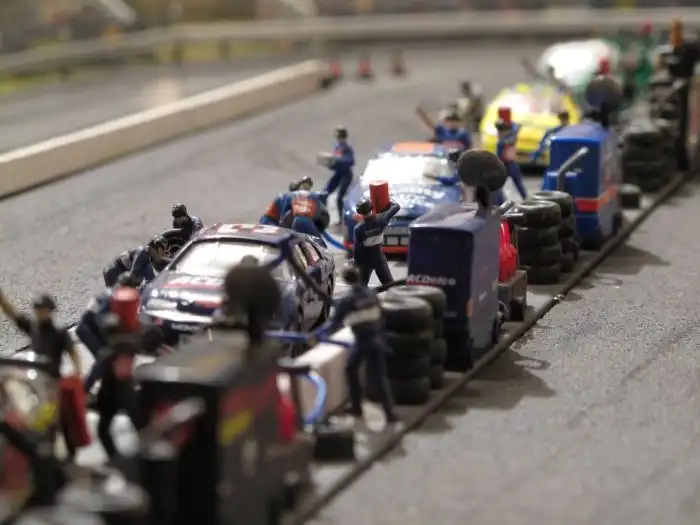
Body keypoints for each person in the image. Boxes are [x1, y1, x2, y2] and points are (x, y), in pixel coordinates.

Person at [0, 289, 83, 461]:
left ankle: (69, 455)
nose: (40, 313)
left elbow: (73, 352)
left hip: (53, 382)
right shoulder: (34, 328)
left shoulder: (58, 333)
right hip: (36, 382)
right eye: (38, 310)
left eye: (43, 310)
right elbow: (13, 314)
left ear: (50, 311)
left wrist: (77, 372)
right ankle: (48, 454)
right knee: (41, 420)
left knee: (60, 419)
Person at [315, 266, 397, 423]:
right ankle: (390, 413)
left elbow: (334, 324)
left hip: (363, 341)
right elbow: (382, 315)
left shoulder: (347, 301)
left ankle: (357, 406)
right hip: (378, 339)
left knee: (350, 368)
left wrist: (319, 335)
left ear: (346, 281)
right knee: (380, 377)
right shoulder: (371, 294)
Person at [78, 273, 142, 393]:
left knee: (113, 359)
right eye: (132, 287)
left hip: (95, 329)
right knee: (103, 359)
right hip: (87, 330)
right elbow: (100, 318)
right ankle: (84, 391)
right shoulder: (111, 297)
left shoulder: (113, 293)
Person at [353, 197, 400, 285]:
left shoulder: (358, 228)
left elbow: (357, 248)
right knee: (389, 284)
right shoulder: (382, 219)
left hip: (365, 259)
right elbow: (396, 206)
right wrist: (386, 198)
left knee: (361, 285)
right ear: (371, 207)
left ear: (359, 212)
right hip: (379, 257)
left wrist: (356, 263)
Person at [102, 236, 169, 287]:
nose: (163, 254)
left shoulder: (148, 256)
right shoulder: (143, 253)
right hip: (114, 272)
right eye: (162, 251)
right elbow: (133, 274)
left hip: (118, 271)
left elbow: (150, 278)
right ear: (156, 248)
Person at [494, 108, 528, 205]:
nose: (499, 133)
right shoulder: (506, 139)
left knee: (515, 182)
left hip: (509, 164)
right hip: (505, 164)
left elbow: (516, 128)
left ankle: (524, 198)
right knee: (500, 184)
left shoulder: (506, 140)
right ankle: (500, 201)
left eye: (501, 131)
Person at [322, 127, 355, 225]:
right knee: (325, 193)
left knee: (340, 197)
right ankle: (322, 216)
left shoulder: (347, 148)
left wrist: (337, 160)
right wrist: (330, 163)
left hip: (346, 174)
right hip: (338, 173)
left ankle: (342, 219)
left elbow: (351, 161)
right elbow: (334, 164)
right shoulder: (337, 147)